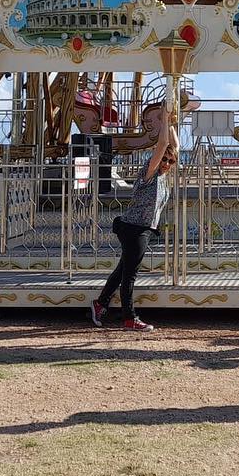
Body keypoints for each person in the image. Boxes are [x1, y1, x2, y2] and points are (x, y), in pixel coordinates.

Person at [91, 109, 178, 332]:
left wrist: (172, 122)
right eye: (164, 159)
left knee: (123, 270)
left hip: (143, 229)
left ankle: (101, 303)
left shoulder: (163, 178)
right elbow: (162, 145)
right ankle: (129, 318)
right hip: (134, 228)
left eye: (170, 161)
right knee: (130, 275)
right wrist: (164, 120)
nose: (167, 163)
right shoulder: (149, 174)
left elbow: (174, 147)